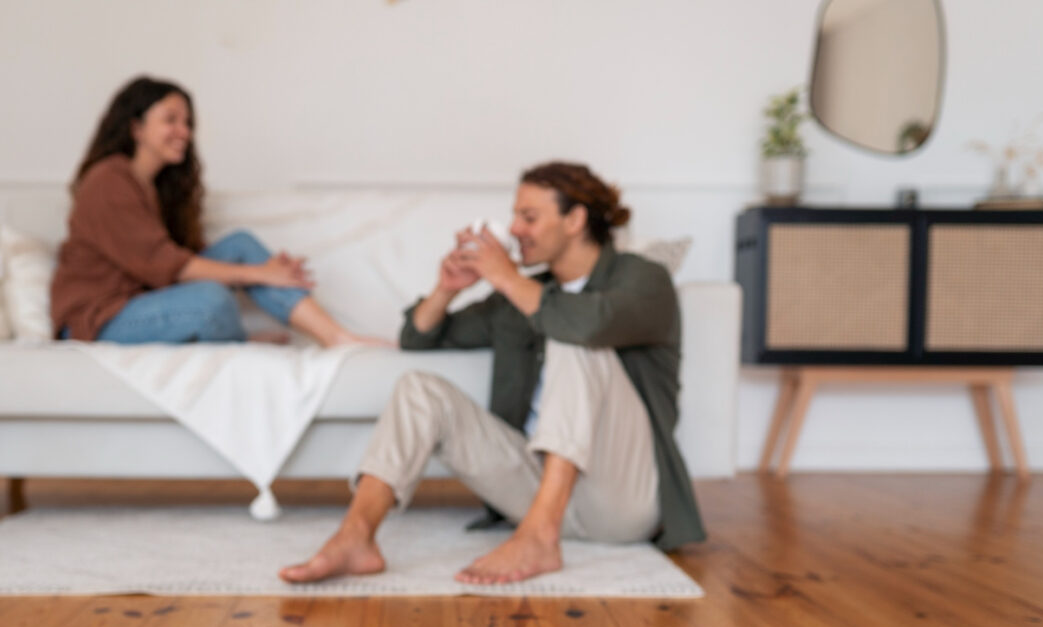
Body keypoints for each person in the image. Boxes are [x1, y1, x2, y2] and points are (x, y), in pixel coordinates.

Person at [280, 161, 705, 586]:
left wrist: (505, 277)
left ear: (575, 220)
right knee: (419, 389)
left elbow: (587, 324)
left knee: (570, 333)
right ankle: (356, 537)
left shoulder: (644, 278)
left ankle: (538, 538)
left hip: (622, 498)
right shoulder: (521, 296)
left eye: (529, 217)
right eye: (515, 215)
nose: (515, 228)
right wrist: (447, 288)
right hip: (534, 487)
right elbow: (419, 339)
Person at [51, 76, 379, 346]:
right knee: (210, 300)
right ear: (136, 128)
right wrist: (261, 274)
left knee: (240, 245)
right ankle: (242, 341)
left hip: (144, 299)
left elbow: (184, 259)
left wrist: (265, 269)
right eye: (171, 120)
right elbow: (167, 265)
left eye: (187, 123)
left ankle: (336, 337)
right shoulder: (108, 179)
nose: (184, 132)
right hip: (100, 319)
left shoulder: (155, 188)